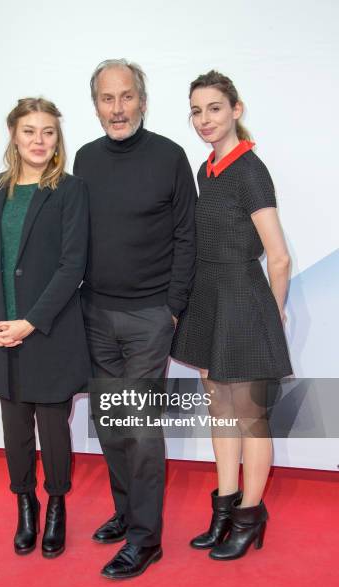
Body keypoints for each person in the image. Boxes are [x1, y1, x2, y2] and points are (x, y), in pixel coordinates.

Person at [73, 59, 196, 579]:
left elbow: (188, 236)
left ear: (142, 100)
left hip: (149, 315)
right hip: (95, 311)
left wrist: (171, 307)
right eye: (107, 98)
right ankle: (126, 512)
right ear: (96, 104)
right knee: (110, 422)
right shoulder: (84, 159)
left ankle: (147, 540)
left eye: (126, 97)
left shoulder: (170, 156)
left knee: (141, 430)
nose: (117, 108)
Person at [171, 70, 292, 560]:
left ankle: (250, 513)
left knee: (249, 417)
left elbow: (278, 257)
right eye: (196, 110)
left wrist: (274, 315)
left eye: (214, 108)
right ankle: (224, 507)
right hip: (210, 301)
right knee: (219, 408)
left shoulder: (249, 169)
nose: (204, 119)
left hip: (243, 301)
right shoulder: (208, 171)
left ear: (235, 110)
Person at [0, 97, 90, 558]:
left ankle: (57, 504)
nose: (39, 141)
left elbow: (72, 266)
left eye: (48, 132)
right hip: (1, 331)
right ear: (14, 136)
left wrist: (30, 322)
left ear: (57, 138)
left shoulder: (70, 190)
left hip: (49, 331)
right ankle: (26, 505)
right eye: (29, 131)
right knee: (13, 427)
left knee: (54, 428)